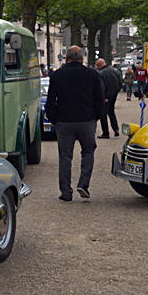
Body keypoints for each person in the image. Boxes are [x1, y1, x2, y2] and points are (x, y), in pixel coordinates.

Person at [45, 46, 104, 203]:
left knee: (65, 156)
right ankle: (83, 183)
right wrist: (96, 116)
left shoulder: (57, 75)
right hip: (86, 120)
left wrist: (54, 119)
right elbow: (99, 98)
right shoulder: (92, 74)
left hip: (64, 121)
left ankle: (66, 192)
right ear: (82, 58)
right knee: (88, 152)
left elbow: (50, 101)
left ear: (66, 58)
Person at [96, 58, 121, 138]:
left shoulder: (101, 73)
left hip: (106, 96)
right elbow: (120, 83)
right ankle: (116, 129)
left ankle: (106, 132)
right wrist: (116, 92)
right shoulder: (115, 71)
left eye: (97, 66)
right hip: (114, 94)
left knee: (103, 114)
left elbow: (101, 87)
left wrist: (104, 97)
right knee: (111, 112)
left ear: (99, 65)